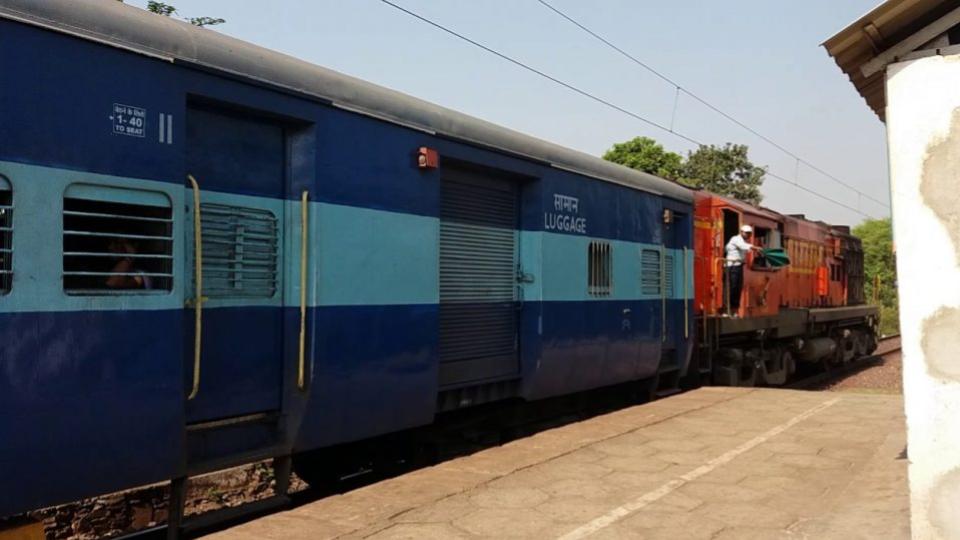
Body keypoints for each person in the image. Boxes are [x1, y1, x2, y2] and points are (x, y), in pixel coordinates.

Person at [724, 224, 762, 317]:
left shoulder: (744, 241)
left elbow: (746, 249)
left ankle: (734, 310)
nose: (748, 235)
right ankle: (726, 310)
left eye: (750, 234)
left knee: (737, 288)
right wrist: (756, 248)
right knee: (731, 288)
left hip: (738, 266)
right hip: (732, 266)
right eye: (747, 233)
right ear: (741, 232)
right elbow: (744, 246)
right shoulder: (736, 239)